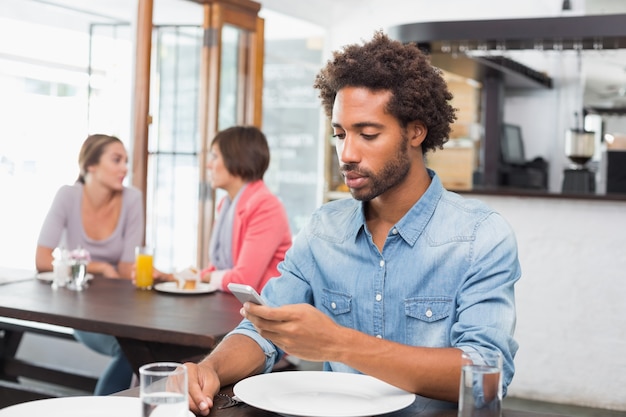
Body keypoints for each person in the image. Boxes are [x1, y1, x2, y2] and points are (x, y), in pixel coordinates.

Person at [185, 31, 521, 415]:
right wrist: (211, 368)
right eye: (340, 134)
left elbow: (486, 376)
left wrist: (339, 343)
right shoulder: (323, 230)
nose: (346, 154)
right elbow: (262, 332)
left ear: (415, 131)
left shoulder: (480, 236)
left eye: (368, 133)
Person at [36, 134, 151, 395]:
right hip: (78, 307)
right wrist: (99, 268)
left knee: (144, 346)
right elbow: (42, 262)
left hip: (122, 306)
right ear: (91, 165)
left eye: (126, 161)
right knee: (129, 350)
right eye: (116, 160)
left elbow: (124, 269)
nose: (125, 168)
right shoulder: (67, 196)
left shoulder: (132, 199)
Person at [200, 125, 292, 293]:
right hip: (235, 305)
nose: (208, 165)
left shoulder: (266, 206)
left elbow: (243, 281)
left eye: (214, 156)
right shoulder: (226, 205)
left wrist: (206, 277)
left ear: (237, 159)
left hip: (266, 311)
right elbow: (216, 268)